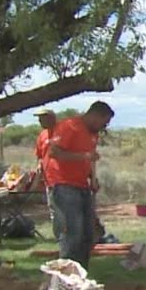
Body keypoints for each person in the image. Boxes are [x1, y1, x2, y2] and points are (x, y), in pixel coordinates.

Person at [46, 101, 114, 267]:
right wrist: (84, 156)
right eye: (103, 122)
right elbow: (54, 152)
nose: (104, 127)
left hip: (82, 185)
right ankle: (66, 272)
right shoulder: (69, 126)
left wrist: (92, 177)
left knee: (88, 234)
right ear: (94, 115)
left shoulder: (93, 134)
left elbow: (89, 159)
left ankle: (80, 272)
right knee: (73, 232)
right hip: (63, 184)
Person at [33, 108, 60, 239]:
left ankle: (69, 240)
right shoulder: (42, 135)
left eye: (42, 118)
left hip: (64, 179)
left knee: (65, 212)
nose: (40, 121)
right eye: (39, 118)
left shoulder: (62, 132)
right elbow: (40, 155)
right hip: (49, 179)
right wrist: (40, 165)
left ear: (51, 118)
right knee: (54, 211)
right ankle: (60, 239)